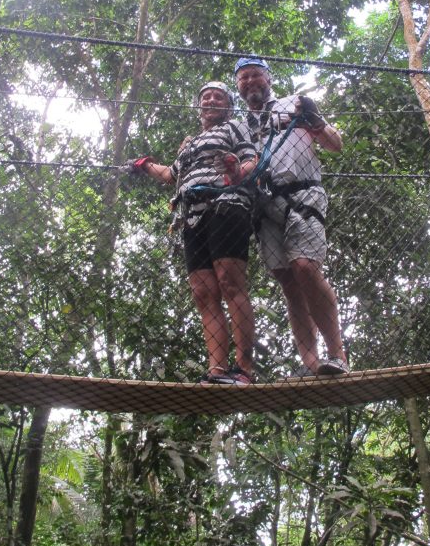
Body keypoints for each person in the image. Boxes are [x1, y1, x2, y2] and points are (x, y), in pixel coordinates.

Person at [131, 82, 258, 385]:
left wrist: (236, 171)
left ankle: (243, 369)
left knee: (230, 283)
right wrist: (145, 165)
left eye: (218, 96)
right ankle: (217, 370)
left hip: (225, 205)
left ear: (227, 106)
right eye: (206, 97)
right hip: (191, 215)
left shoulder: (234, 128)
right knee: (203, 293)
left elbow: (252, 160)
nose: (211, 100)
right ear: (199, 107)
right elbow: (170, 175)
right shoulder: (189, 145)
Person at [234, 56, 349, 377]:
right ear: (238, 86)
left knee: (305, 267)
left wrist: (315, 121)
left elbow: (335, 144)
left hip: (303, 193)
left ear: (268, 78)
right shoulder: (239, 126)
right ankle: (311, 362)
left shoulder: (294, 103)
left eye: (255, 74)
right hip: (264, 206)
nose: (250, 81)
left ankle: (338, 354)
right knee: (289, 281)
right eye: (243, 78)